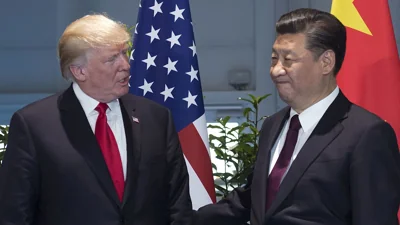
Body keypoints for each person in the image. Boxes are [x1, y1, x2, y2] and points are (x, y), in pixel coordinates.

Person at [193, 8, 400, 225]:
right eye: (274, 59)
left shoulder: (366, 134)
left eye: (288, 60)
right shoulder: (273, 126)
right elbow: (251, 200)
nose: (275, 70)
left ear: (326, 62)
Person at [0, 14, 193, 225]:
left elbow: (178, 204)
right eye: (112, 59)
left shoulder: (156, 117)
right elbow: (15, 213)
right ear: (80, 71)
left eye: (124, 53)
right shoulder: (34, 125)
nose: (126, 65)